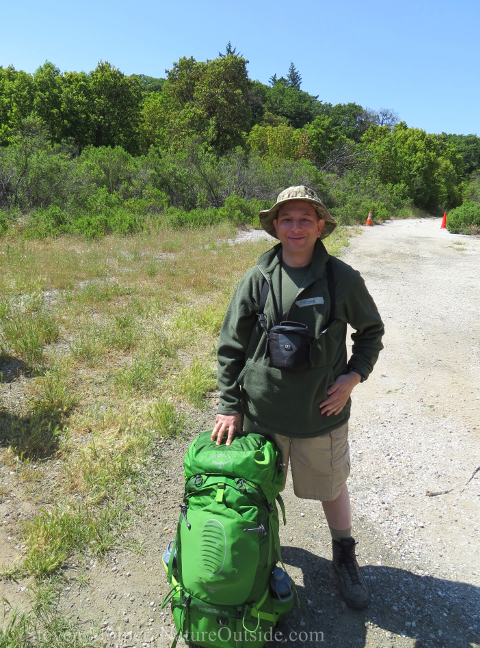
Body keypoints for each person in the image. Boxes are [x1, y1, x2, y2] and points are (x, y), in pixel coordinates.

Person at [211, 186, 384, 609]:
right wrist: (230, 405)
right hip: (261, 413)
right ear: (275, 226)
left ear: (320, 226)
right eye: (286, 219)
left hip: (318, 414)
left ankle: (344, 555)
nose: (295, 227)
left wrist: (352, 378)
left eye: (305, 219)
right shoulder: (257, 277)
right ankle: (258, 556)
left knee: (331, 487)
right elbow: (231, 344)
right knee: (255, 493)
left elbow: (371, 333)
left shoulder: (342, 279)